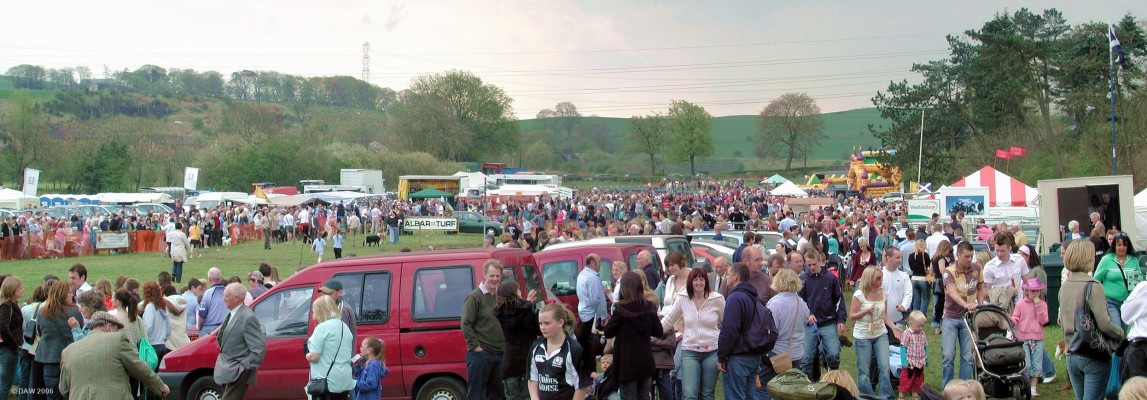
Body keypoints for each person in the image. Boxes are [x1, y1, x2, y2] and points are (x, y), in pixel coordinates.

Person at [1061, 239, 1124, 400]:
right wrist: (1120, 332)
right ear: (1087, 258)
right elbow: (1104, 323)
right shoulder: (1093, 285)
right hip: (1092, 353)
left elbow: (1062, 319)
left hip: (1071, 353)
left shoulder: (1065, 286)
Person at [58, 312, 169, 399]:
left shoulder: (68, 351)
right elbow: (139, 367)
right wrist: (160, 387)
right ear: (108, 327)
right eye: (116, 329)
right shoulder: (117, 339)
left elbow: (63, 389)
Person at [661, 267, 725, 400]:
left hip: (712, 351)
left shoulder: (717, 299)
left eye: (701, 279)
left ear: (706, 282)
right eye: (695, 279)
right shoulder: (682, 298)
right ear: (690, 282)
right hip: (690, 351)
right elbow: (668, 320)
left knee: (707, 394)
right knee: (689, 394)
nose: (698, 283)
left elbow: (725, 323)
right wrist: (650, 333)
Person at [604, 271, 663, 400]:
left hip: (626, 363)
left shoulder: (620, 310)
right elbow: (659, 332)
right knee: (644, 396)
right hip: (645, 361)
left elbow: (608, 332)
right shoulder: (649, 307)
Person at [850, 266, 902, 399]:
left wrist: (893, 327)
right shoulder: (859, 294)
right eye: (878, 278)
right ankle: (866, 396)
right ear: (869, 278)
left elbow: (885, 315)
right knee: (864, 370)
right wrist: (866, 311)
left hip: (881, 334)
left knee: (884, 367)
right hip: (863, 336)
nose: (881, 280)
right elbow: (852, 316)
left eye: (881, 278)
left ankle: (886, 396)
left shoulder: (883, 293)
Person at [461, 260, 506, 400]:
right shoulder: (474, 297)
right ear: (484, 275)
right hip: (480, 356)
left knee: (497, 395)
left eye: (498, 276)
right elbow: (465, 324)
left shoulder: (500, 296)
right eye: (492, 275)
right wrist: (476, 347)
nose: (495, 279)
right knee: (476, 395)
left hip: (499, 354)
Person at [940, 241, 983, 387]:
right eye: (966, 256)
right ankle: (948, 388)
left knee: (968, 356)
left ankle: (964, 388)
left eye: (971, 256)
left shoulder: (977, 268)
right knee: (948, 356)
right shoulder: (949, 271)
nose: (970, 259)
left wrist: (980, 305)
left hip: (969, 318)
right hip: (951, 318)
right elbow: (951, 291)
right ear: (958, 255)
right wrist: (966, 305)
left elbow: (980, 287)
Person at [763, 269, 810, 399]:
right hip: (797, 352)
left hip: (777, 354)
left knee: (767, 388)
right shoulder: (802, 303)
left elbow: (770, 331)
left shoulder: (774, 304)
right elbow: (806, 322)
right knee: (790, 391)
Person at [213, 282, 266, 400]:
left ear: (236, 298)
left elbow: (258, 349)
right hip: (227, 371)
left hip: (237, 372)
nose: (223, 299)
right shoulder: (232, 313)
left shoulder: (247, 317)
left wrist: (242, 367)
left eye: (226, 296)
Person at [799, 249, 846, 378]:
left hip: (828, 322)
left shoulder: (831, 278)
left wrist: (841, 320)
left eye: (814, 264)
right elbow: (800, 301)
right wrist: (807, 314)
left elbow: (839, 300)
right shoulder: (802, 280)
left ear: (820, 261)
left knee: (834, 354)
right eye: (809, 265)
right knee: (806, 358)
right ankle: (806, 388)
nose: (812, 267)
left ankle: (833, 376)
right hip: (809, 324)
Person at [718, 262, 762, 400]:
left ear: (736, 276)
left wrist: (721, 356)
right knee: (750, 396)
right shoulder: (754, 297)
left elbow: (729, 330)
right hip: (754, 354)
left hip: (738, 356)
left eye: (728, 275)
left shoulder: (735, 298)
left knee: (735, 396)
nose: (726, 278)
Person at [529, 303, 591, 400]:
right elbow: (532, 377)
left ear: (560, 322)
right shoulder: (536, 346)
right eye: (540, 323)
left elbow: (582, 385)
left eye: (547, 323)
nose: (543, 327)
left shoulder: (574, 349)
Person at [33, 280, 83, 400]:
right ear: (62, 294)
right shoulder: (74, 312)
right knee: (71, 394)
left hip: (49, 358)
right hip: (69, 359)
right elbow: (79, 332)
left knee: (53, 395)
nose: (72, 295)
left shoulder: (42, 312)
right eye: (70, 293)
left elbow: (39, 331)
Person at [495, 280, 540, 400]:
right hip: (528, 360)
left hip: (509, 362)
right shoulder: (527, 310)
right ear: (515, 292)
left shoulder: (500, 312)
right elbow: (539, 330)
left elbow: (516, 310)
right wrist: (530, 304)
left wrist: (527, 302)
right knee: (530, 396)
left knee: (512, 397)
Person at [306, 295, 355, 400]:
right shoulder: (344, 326)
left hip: (327, 381)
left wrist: (307, 355)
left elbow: (314, 356)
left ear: (320, 310)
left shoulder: (322, 327)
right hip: (344, 379)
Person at [1095, 233, 1142, 330]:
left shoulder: (1133, 260)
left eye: (1124, 245)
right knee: (1117, 329)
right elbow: (1096, 280)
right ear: (1114, 246)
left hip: (1127, 302)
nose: (1122, 248)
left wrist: (1136, 280)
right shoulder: (1107, 259)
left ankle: (1119, 345)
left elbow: (1138, 280)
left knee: (1124, 332)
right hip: (1110, 302)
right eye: (1119, 245)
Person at [1010, 278, 1049, 397]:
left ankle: (1033, 388)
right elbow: (1015, 319)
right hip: (1023, 338)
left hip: (1037, 338)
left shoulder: (1042, 304)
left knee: (1037, 364)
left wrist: (1038, 306)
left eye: (1037, 291)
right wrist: (1010, 320)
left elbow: (1044, 320)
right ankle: (1025, 386)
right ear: (1026, 291)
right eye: (1032, 291)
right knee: (1026, 363)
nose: (1035, 294)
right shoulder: (1020, 304)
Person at [575, 254, 608, 384]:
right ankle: (591, 376)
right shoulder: (592, 278)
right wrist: (603, 316)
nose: (600, 264)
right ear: (593, 262)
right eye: (599, 262)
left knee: (585, 346)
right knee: (591, 348)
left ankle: (586, 374)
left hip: (584, 314)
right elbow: (596, 299)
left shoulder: (582, 274)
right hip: (592, 316)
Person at [982, 232, 1028, 315]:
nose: (999, 254)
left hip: (1020, 306)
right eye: (997, 251)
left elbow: (1028, 282)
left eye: (1003, 251)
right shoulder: (989, 267)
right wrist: (1005, 292)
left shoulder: (1019, 259)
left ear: (1009, 248)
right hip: (1001, 308)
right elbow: (985, 293)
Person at [0, 276, 23, 396]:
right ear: (12, 289)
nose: (22, 290)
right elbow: (3, 328)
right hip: (8, 350)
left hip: (10, 349)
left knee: (6, 384)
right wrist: (14, 346)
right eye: (20, 287)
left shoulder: (11, 304)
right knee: (4, 385)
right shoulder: (6, 305)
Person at [899, 311, 928, 400]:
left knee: (918, 380)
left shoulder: (922, 334)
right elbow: (903, 348)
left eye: (922, 326)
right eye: (919, 326)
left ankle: (916, 395)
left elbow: (925, 346)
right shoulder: (907, 334)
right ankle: (901, 396)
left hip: (920, 362)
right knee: (906, 380)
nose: (921, 328)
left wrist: (926, 359)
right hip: (910, 363)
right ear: (911, 323)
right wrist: (904, 362)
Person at [141, 281, 172, 362]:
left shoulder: (150, 307)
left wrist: (146, 339)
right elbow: (168, 326)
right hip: (162, 344)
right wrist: (164, 338)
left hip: (152, 345)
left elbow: (148, 326)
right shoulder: (163, 307)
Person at [931, 241, 954, 334]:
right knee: (941, 304)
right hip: (941, 282)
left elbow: (931, 271)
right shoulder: (941, 258)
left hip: (936, 281)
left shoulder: (934, 257)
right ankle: (937, 326)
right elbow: (942, 271)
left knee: (936, 304)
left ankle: (935, 325)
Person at [198, 268, 228, 334]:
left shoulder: (208, 293)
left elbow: (202, 314)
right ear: (221, 278)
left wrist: (199, 328)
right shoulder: (228, 292)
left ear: (209, 279)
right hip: (226, 327)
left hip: (210, 328)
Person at [907, 239, 932, 315]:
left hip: (914, 278)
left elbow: (911, 268)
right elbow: (929, 266)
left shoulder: (911, 255)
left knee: (916, 299)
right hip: (923, 278)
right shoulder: (925, 255)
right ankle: (921, 313)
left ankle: (915, 314)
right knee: (926, 298)